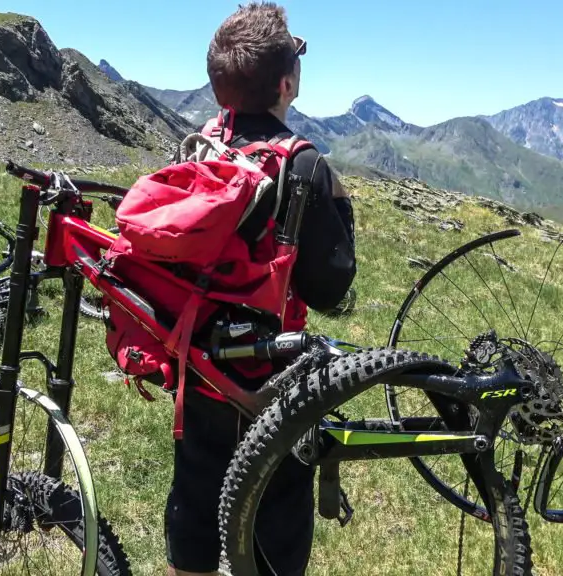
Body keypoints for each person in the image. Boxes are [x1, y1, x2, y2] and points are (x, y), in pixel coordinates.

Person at [164, 3, 357, 575]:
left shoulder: (195, 149)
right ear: (286, 83)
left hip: (198, 367)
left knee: (195, 493)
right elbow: (330, 288)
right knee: (276, 511)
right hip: (270, 376)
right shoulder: (302, 165)